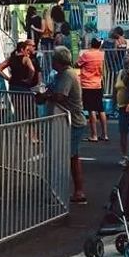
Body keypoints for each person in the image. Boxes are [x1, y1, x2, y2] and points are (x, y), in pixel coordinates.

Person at [39, 46, 87, 205]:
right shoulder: (62, 75)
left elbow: (61, 96)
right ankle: (77, 190)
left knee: (63, 157)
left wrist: (47, 96)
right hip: (68, 122)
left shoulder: (67, 75)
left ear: (58, 61)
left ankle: (59, 193)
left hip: (70, 122)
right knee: (72, 157)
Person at [76, 37, 107, 141]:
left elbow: (77, 64)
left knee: (91, 109)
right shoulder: (101, 54)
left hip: (87, 84)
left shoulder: (86, 55)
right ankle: (104, 134)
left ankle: (94, 134)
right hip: (98, 83)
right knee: (101, 109)